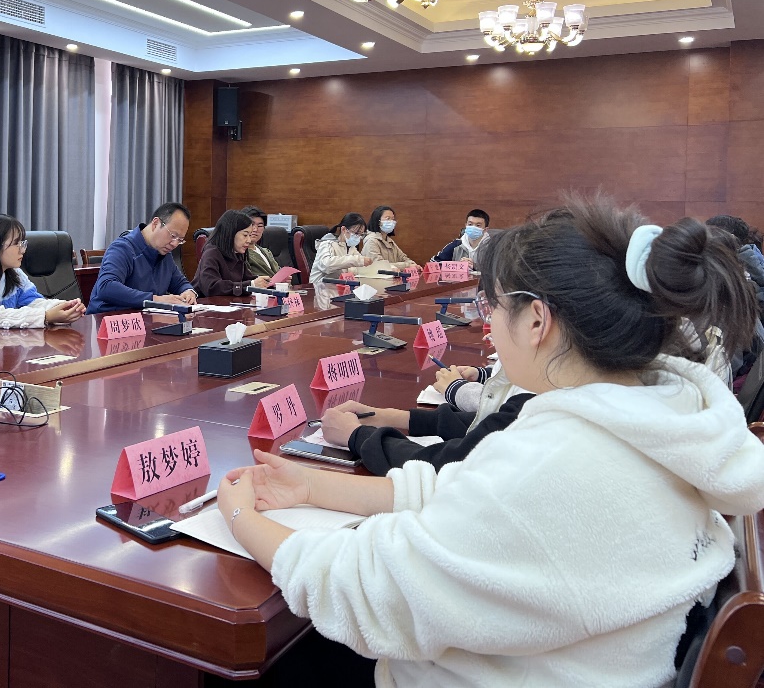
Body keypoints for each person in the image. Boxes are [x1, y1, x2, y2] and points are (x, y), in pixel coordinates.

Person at [216, 197, 764, 687]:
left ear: (537, 321)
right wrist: (311, 485)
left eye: (493, 306)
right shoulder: (655, 414)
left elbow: (363, 590)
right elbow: (464, 488)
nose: (488, 324)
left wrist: (240, 516)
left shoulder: (560, 463)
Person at [320, 361, 535, 475]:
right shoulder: (538, 389)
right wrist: (386, 417)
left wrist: (356, 435)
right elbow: (486, 423)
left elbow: (443, 465)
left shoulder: (533, 404)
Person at [87, 202, 197, 313]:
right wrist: (155, 300)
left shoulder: (164, 253)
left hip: (144, 319)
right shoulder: (122, 248)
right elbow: (106, 287)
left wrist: (188, 292)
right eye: (173, 236)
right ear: (155, 223)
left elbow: (179, 283)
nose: (174, 244)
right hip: (108, 318)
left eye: (180, 240)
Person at [193, 210, 272, 297]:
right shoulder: (212, 253)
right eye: (245, 235)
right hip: (206, 303)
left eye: (250, 235)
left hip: (230, 303)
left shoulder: (238, 252)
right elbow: (211, 287)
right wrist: (251, 284)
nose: (249, 240)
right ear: (231, 233)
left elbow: (246, 278)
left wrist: (265, 282)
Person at [309, 213, 373, 285]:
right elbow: (326, 265)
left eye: (361, 234)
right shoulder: (327, 244)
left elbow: (357, 268)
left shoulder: (351, 248)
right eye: (356, 233)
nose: (358, 237)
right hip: (320, 287)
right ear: (344, 229)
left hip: (340, 287)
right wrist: (357, 260)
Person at [361, 205, 418, 270]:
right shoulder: (371, 241)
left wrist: (413, 264)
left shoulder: (389, 241)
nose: (392, 222)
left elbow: (403, 257)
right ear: (378, 221)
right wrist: (407, 265)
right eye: (388, 218)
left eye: (393, 219)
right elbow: (379, 265)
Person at [240, 206, 283, 280]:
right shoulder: (240, 253)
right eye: (252, 224)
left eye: (260, 226)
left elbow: (277, 273)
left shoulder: (267, 252)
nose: (255, 229)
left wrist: (284, 278)